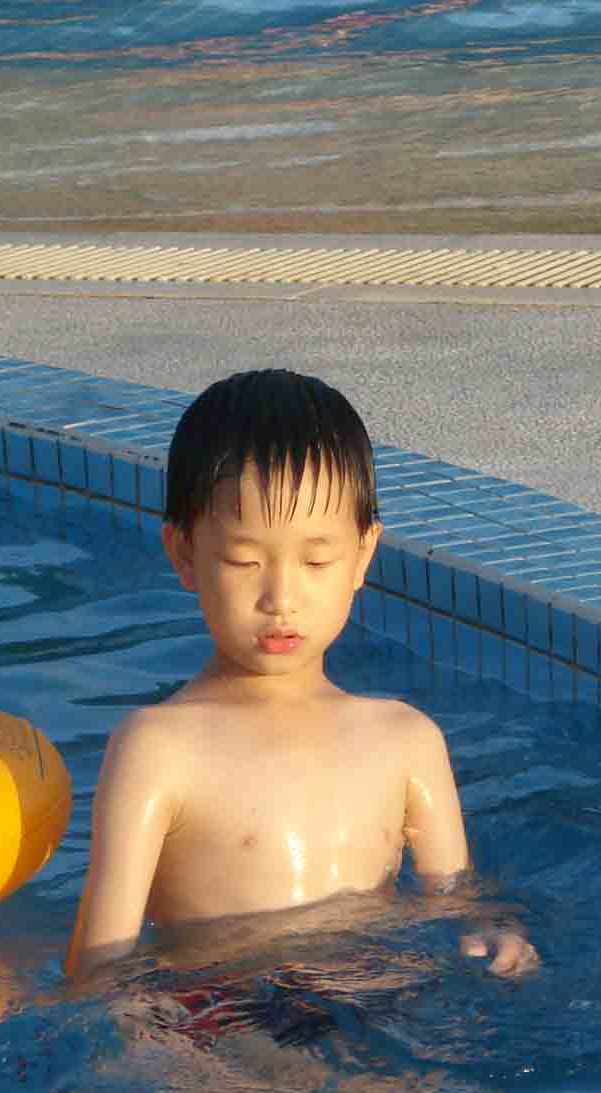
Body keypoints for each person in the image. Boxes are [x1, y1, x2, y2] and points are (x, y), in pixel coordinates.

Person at [65, 368, 538, 996]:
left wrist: (494, 930)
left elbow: (455, 899)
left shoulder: (406, 741)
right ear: (184, 554)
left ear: (362, 555)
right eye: (244, 561)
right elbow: (101, 966)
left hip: (374, 998)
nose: (281, 597)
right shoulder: (158, 748)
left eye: (316, 560)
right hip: (220, 1013)